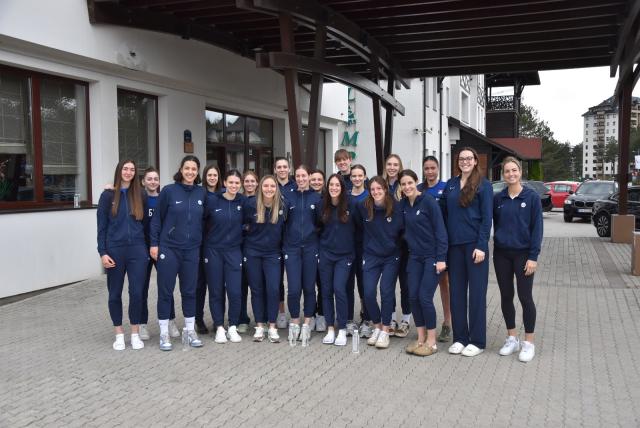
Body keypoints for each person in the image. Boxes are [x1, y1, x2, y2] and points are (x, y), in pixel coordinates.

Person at [150, 155, 206, 351]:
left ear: (197, 172)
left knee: (189, 291)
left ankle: (190, 331)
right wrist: (154, 244)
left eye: (194, 169)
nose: (190, 172)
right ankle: (164, 333)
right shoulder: (168, 191)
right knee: (165, 291)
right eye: (187, 168)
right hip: (169, 248)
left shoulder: (201, 193)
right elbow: (156, 220)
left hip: (192, 250)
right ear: (181, 170)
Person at [440, 147, 492, 357]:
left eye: (469, 158)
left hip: (474, 247)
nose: (465, 162)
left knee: (477, 294)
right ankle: (460, 338)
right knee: (457, 294)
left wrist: (482, 245)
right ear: (457, 162)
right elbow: (443, 214)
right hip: (454, 247)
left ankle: (477, 341)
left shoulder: (484, 185)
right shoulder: (451, 184)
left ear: (475, 161)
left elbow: (487, 218)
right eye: (462, 159)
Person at [493, 157, 542, 363]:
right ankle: (512, 338)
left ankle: (528, 342)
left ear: (520, 172)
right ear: (503, 174)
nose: (511, 174)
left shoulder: (532, 197)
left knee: (525, 297)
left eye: (514, 170)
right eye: (507, 171)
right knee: (506, 296)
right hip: (501, 254)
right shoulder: (498, 198)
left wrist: (533, 257)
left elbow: (537, 229)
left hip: (523, 255)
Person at [97, 159, 149, 351]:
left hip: (137, 250)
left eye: (132, 169)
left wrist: (145, 249)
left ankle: (135, 333)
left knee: (136, 293)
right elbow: (101, 227)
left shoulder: (141, 194)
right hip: (115, 251)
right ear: (119, 171)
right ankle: (119, 333)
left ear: (135, 173)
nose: (128, 172)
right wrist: (103, 252)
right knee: (114, 294)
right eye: (125, 169)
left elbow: (145, 225)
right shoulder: (107, 196)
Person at [399, 169, 448, 357]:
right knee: (413, 297)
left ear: (416, 182)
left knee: (424, 297)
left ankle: (432, 342)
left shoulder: (428, 201)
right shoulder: (403, 205)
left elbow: (441, 230)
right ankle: (420, 338)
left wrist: (441, 258)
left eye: (410, 183)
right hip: (414, 257)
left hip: (432, 257)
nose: (407, 187)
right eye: (403, 184)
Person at [356, 176, 404, 349]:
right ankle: (377, 326)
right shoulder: (363, 207)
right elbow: (359, 228)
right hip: (371, 255)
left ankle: (385, 329)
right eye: (372, 189)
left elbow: (402, 231)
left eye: (379, 188)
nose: (376, 192)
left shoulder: (396, 207)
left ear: (385, 189)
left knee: (386, 291)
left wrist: (395, 247)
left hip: (391, 256)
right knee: (368, 292)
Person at [204, 170, 247, 344]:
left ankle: (232, 326)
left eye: (237, 183)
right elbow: (202, 221)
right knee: (216, 291)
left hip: (234, 251)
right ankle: (220, 327)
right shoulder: (213, 200)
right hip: (214, 250)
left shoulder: (243, 201)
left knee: (235, 291)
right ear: (224, 183)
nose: (234, 186)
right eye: (231, 182)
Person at [243, 175, 287, 343]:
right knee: (257, 289)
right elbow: (242, 224)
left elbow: (286, 228)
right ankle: (260, 326)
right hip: (253, 252)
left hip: (273, 254)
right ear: (260, 187)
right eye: (266, 186)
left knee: (273, 289)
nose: (269, 189)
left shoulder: (282, 205)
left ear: (277, 188)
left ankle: (272, 325)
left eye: (272, 186)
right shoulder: (250, 204)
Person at [283, 164, 321, 346]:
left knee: (309, 287)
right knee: (293, 288)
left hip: (311, 248)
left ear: (309, 176)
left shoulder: (317, 197)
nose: (300, 179)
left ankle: (307, 322)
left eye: (304, 176)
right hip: (292, 248)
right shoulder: (288, 196)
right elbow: (282, 221)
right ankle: (294, 321)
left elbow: (321, 223)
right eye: (297, 176)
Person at [139, 166, 179, 341]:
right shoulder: (138, 199)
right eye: (149, 179)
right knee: (141, 288)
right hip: (142, 248)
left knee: (166, 286)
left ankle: (170, 320)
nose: (153, 182)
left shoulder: (165, 197)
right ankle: (142, 324)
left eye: (156, 179)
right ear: (143, 182)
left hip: (161, 248)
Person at [319, 174, 357, 346]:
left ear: (342, 187)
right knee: (326, 291)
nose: (334, 188)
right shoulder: (322, 205)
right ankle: (330, 328)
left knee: (339, 289)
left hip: (345, 255)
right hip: (326, 254)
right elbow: (318, 227)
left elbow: (359, 228)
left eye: (337, 185)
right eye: (331, 185)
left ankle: (342, 328)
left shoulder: (351, 204)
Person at [418, 156, 452, 343]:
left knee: (445, 284)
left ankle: (447, 322)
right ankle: (425, 325)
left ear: (438, 168)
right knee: (425, 288)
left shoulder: (445, 188)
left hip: (442, 243)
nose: (430, 171)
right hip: (423, 246)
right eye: (427, 168)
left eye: (433, 168)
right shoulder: (418, 189)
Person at [383, 154, 411, 338]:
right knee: (389, 284)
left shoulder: (405, 186)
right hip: (388, 243)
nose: (392, 167)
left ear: (399, 166)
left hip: (406, 244)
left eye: (395, 164)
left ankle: (406, 320)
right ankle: (391, 318)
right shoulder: (381, 185)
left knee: (406, 284)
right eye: (389, 164)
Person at [195, 164, 222, 334]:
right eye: (209, 175)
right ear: (205, 177)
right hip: (199, 245)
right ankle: (198, 319)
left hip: (217, 246)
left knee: (217, 286)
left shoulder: (224, 194)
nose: (212, 178)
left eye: (215, 175)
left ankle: (218, 320)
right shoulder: (199, 193)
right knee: (200, 285)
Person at [347, 164, 372, 337]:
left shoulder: (370, 196)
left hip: (365, 247)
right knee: (348, 284)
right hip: (347, 247)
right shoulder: (346, 197)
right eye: (354, 176)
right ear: (350, 178)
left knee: (364, 285)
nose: (357, 178)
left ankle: (367, 319)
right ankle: (348, 319)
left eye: (359, 175)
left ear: (364, 177)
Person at [274, 157, 296, 328]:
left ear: (289, 169)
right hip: (274, 240)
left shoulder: (296, 187)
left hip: (292, 240)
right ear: (275, 170)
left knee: (294, 280)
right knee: (277, 279)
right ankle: (281, 313)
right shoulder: (270, 186)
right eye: (279, 167)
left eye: (284, 167)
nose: (282, 169)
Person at [238, 170, 259, 333]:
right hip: (238, 247)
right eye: (247, 181)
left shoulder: (261, 199)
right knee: (240, 285)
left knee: (257, 285)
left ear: (257, 183)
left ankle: (261, 318)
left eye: (252, 181)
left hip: (255, 248)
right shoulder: (238, 199)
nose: (250, 184)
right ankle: (242, 319)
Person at [308, 168, 327, 332]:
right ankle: (311, 314)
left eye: (319, 179)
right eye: (313, 179)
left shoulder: (328, 198)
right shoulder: (305, 197)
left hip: (325, 246)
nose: (316, 182)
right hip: (309, 246)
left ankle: (322, 314)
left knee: (322, 283)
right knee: (309, 283)